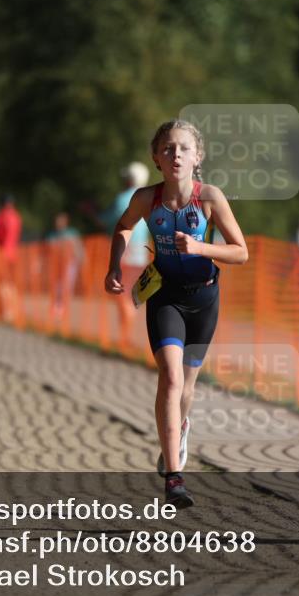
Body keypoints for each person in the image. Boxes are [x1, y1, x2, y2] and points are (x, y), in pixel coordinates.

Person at [105, 119, 249, 508]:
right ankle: (175, 478)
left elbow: (240, 251)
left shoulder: (210, 199)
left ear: (197, 156)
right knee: (169, 379)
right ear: (156, 158)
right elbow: (122, 227)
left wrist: (201, 249)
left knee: (186, 388)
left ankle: (179, 429)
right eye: (168, 149)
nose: (176, 155)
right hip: (165, 296)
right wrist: (114, 265)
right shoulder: (146, 198)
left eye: (184, 148)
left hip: (204, 300)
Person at [98, 162, 152, 352]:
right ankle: (126, 337)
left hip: (125, 254)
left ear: (128, 179)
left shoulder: (123, 199)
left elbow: (106, 220)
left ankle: (125, 338)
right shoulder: (150, 199)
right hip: (142, 254)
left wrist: (93, 212)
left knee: (121, 295)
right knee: (130, 296)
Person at [47, 211, 84, 320]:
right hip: (56, 265)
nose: (58, 223)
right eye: (57, 221)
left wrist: (81, 259)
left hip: (70, 264)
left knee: (67, 286)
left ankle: (63, 307)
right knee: (57, 286)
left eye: (61, 221)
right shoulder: (52, 235)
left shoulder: (72, 233)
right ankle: (56, 306)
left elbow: (78, 247)